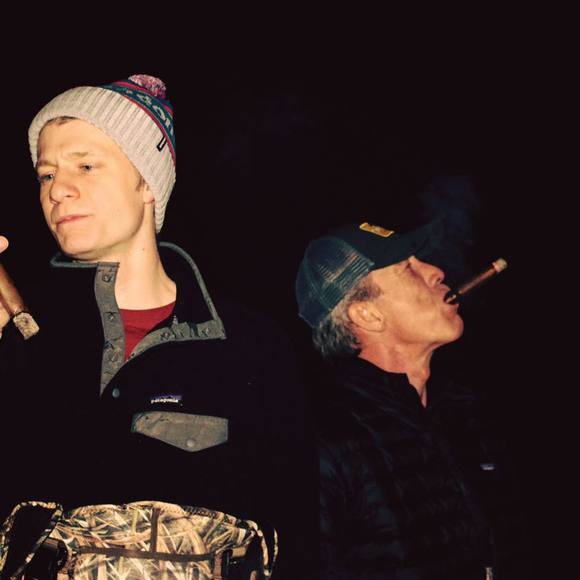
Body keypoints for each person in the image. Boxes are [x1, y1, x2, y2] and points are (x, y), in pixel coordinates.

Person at [0, 74, 316, 578]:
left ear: (147, 182)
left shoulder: (250, 346)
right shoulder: (22, 338)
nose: (57, 190)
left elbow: (295, 533)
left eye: (86, 165)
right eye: (46, 175)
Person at [295, 221, 529, 579]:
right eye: (407, 269)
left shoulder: (464, 412)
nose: (436, 272)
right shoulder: (324, 441)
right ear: (368, 315)